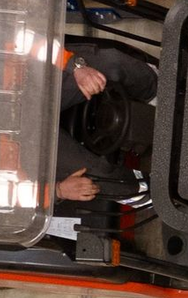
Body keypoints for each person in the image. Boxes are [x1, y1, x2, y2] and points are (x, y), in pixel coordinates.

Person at [56, 45, 158, 203]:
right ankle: (156, 194)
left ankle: (159, 90)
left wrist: (74, 65)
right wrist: (57, 190)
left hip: (28, 84)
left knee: (109, 65)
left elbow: (28, 39)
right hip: (18, 150)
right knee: (90, 178)